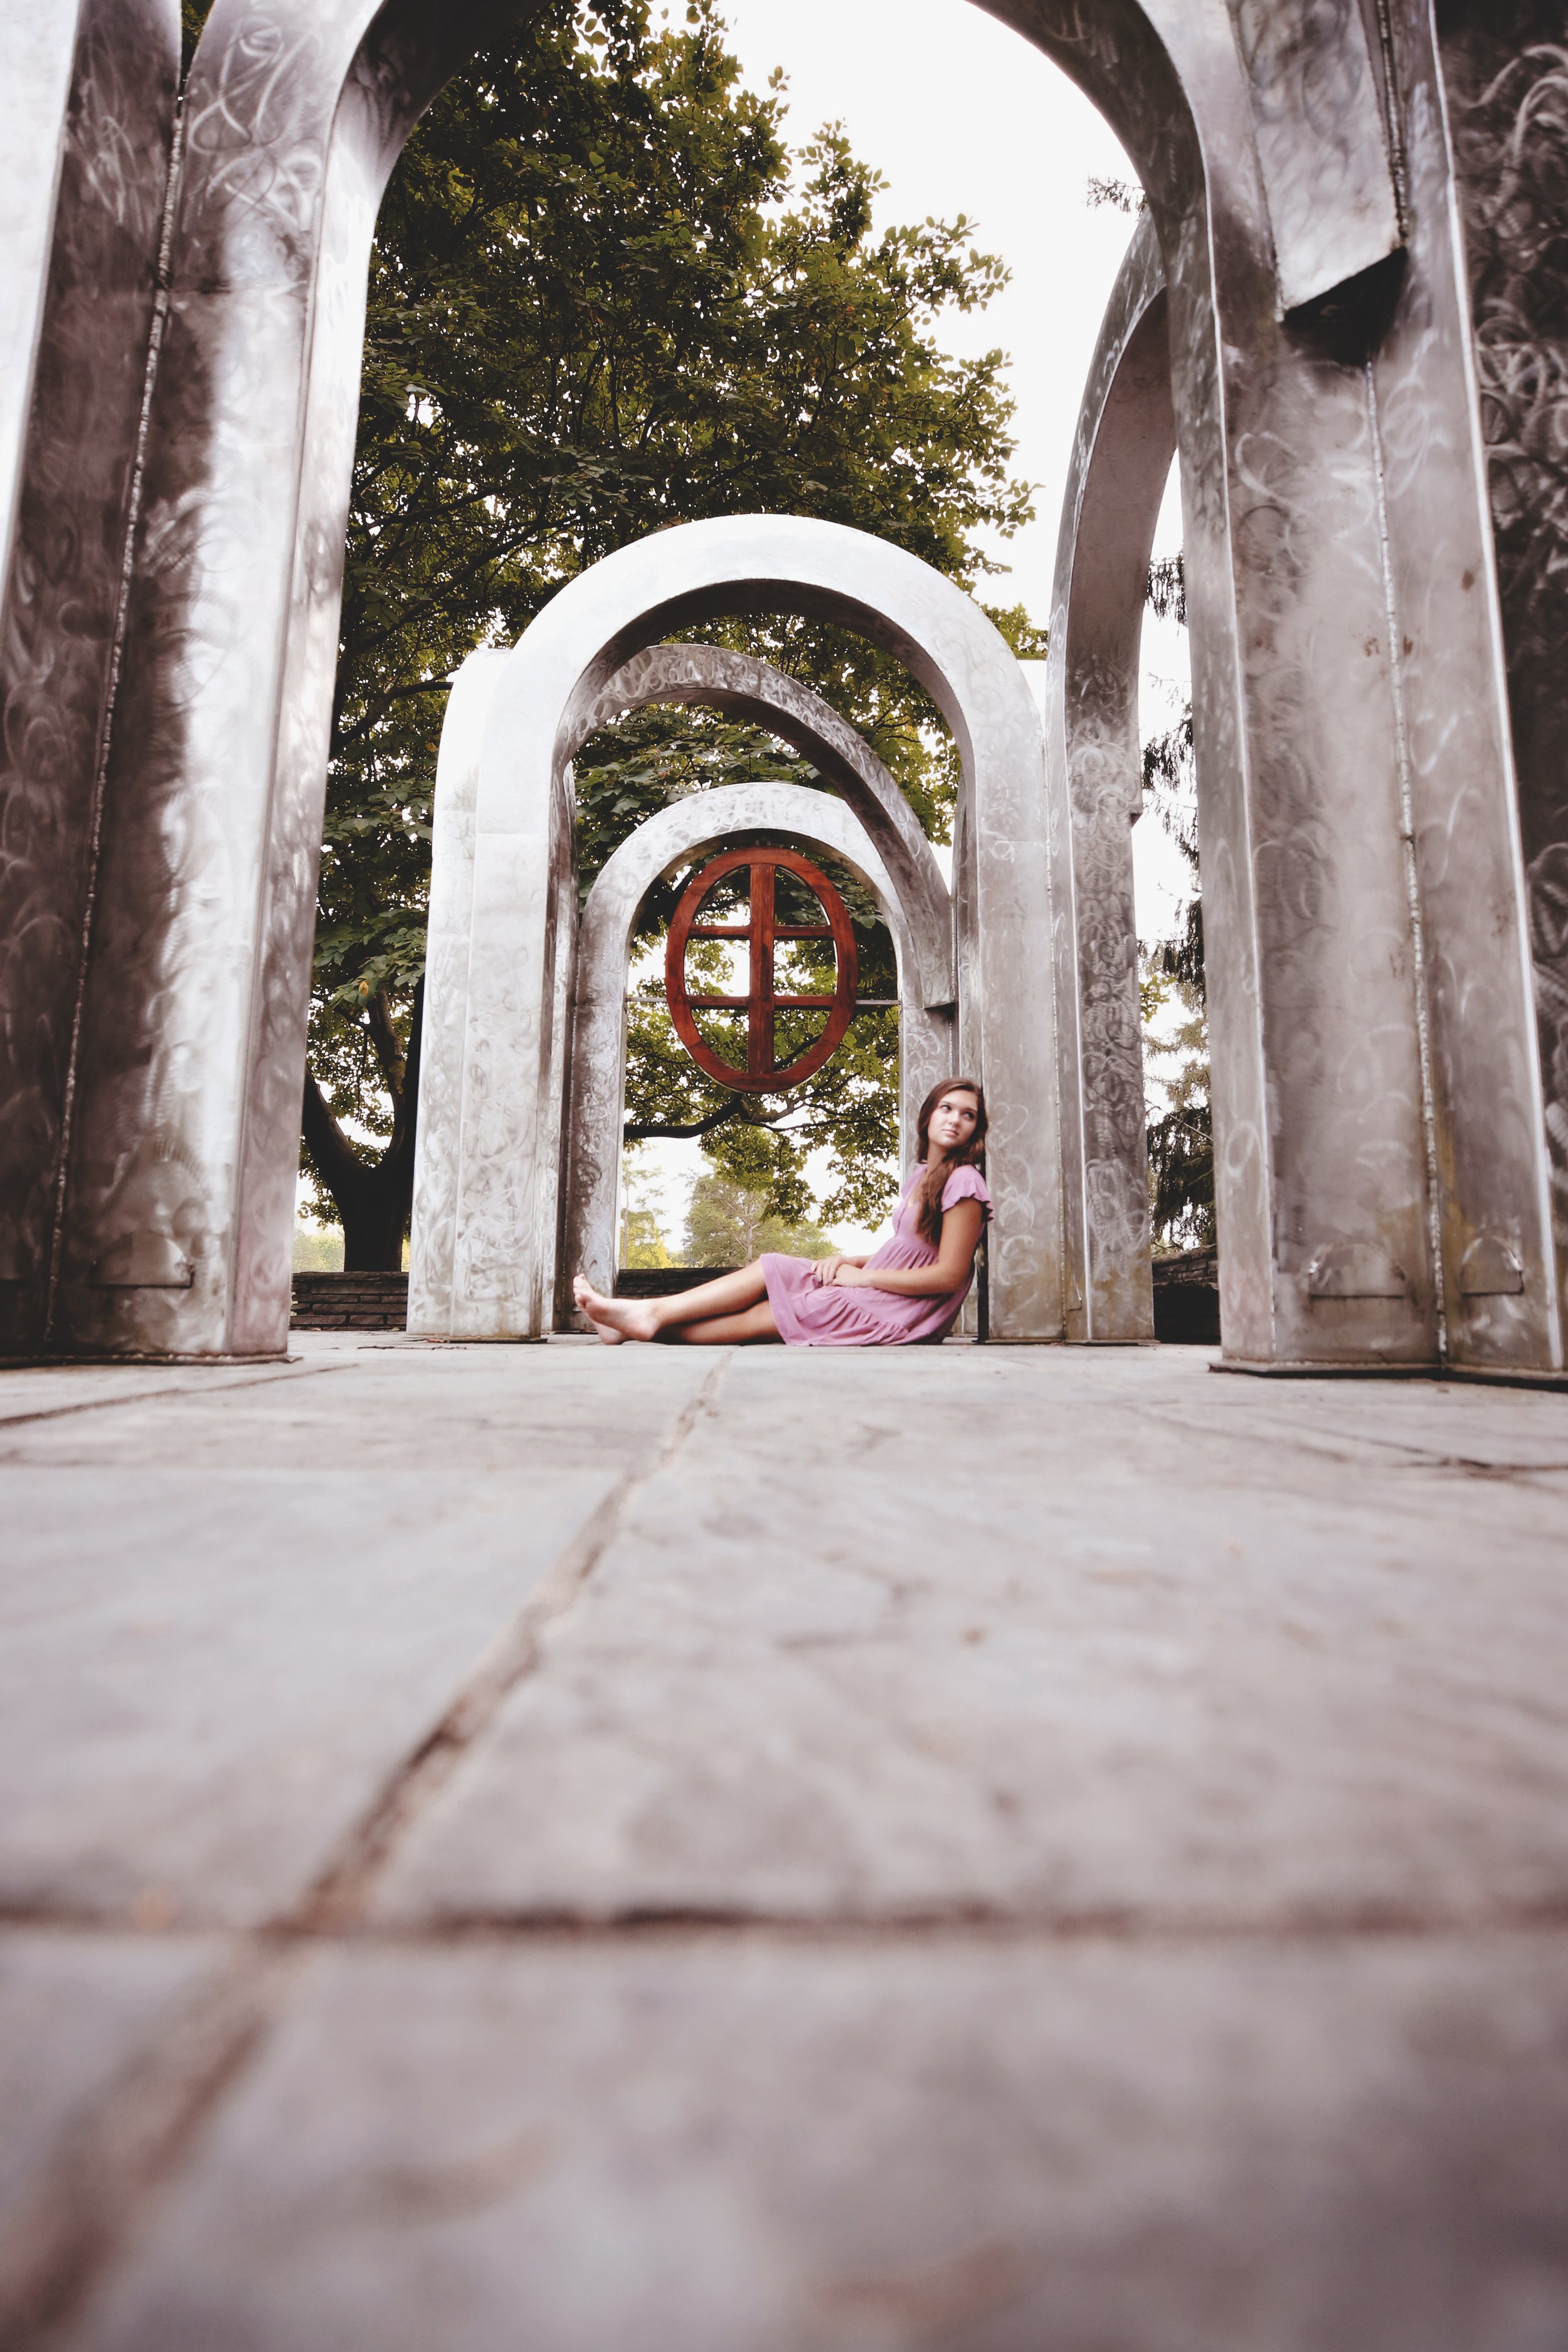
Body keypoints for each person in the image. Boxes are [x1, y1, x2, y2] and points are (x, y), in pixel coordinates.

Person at [574, 1079, 990, 1346]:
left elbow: (949, 1274)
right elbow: (910, 1250)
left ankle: (641, 1324)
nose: (955, 1120)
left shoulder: (965, 1183)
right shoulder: (923, 1176)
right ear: (929, 1115)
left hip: (898, 1311)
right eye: (947, 1108)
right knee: (773, 1265)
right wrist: (848, 1260)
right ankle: (639, 1318)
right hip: (877, 1287)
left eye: (968, 1115)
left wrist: (863, 1277)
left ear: (976, 1129)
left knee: (761, 1318)